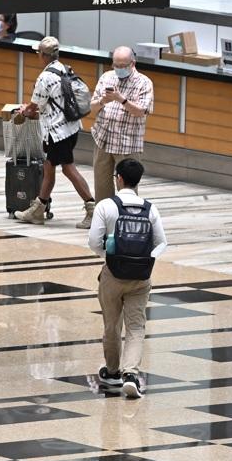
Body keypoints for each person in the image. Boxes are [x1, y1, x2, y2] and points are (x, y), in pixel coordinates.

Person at [88, 158, 167, 400]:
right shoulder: (150, 209)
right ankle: (131, 374)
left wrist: (110, 257)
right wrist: (145, 260)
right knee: (135, 326)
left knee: (112, 325)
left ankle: (112, 372)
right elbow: (161, 242)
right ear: (137, 181)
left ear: (119, 178)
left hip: (113, 274)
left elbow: (93, 242)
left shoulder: (106, 206)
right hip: (141, 277)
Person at [13, 36, 94, 228]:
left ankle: (92, 208)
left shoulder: (45, 77)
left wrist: (24, 111)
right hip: (71, 127)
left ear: (43, 55)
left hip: (57, 132)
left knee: (67, 168)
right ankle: (38, 209)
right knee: (49, 167)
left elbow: (33, 107)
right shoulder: (64, 68)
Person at [88, 47, 154, 203]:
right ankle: (103, 216)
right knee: (101, 186)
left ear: (133, 64)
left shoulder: (144, 83)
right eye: (116, 65)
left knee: (127, 190)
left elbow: (141, 111)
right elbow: (92, 107)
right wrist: (103, 101)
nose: (118, 69)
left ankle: (127, 216)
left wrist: (121, 99)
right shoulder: (106, 77)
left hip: (127, 144)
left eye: (123, 66)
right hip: (103, 139)